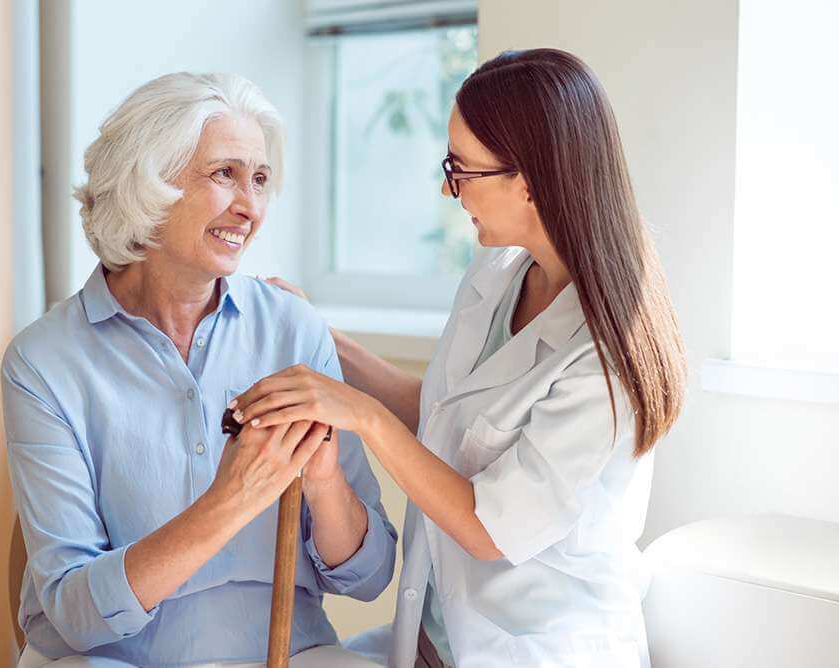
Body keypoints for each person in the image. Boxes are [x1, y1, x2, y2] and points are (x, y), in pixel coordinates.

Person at [231, 49, 688, 667]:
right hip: (435, 638)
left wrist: (360, 414)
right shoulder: (497, 273)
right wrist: (324, 338)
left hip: (536, 650)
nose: (448, 187)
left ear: (528, 180)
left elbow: (488, 529)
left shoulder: (604, 357)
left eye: (461, 169)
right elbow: (445, 414)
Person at [2, 72, 396, 668]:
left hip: (287, 653)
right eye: (224, 174)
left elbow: (369, 577)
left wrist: (323, 481)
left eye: (260, 179)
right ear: (146, 184)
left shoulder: (293, 329)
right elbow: (76, 615)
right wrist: (233, 499)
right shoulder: (44, 361)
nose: (251, 206)